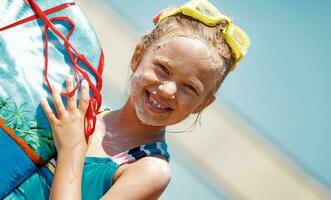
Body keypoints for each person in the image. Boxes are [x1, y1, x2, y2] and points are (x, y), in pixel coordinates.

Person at [8, 0, 250, 199]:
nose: (167, 90)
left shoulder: (148, 169)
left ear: (202, 104)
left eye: (189, 87)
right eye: (163, 68)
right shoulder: (82, 113)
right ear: (137, 56)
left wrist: (71, 148)